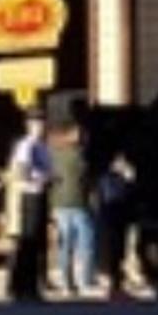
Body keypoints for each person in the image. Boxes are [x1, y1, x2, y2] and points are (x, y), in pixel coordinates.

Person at [5, 106, 53, 303]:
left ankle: (33, 285)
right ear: (29, 125)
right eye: (36, 123)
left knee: (39, 243)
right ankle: (21, 287)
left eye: (42, 122)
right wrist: (40, 177)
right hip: (29, 193)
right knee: (28, 242)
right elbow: (22, 170)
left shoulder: (43, 146)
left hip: (42, 193)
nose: (39, 126)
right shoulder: (26, 145)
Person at [50, 121, 97, 298]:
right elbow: (88, 178)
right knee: (86, 242)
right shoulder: (81, 156)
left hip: (61, 204)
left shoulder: (54, 155)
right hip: (78, 203)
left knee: (66, 244)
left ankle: (68, 280)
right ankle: (85, 278)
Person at [94, 153, 138, 302]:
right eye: (121, 162)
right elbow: (115, 198)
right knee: (113, 254)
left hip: (117, 220)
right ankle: (114, 288)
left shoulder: (115, 179)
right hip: (111, 220)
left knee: (119, 254)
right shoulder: (109, 178)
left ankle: (118, 287)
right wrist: (129, 181)